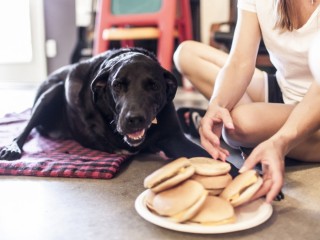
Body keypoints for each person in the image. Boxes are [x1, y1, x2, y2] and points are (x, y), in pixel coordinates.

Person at [173, 0, 320, 203]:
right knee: (186, 53)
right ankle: (250, 138)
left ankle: (253, 139)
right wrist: (218, 105)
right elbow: (240, 61)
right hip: (283, 90)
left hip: (316, 109)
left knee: (238, 125)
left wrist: (281, 141)